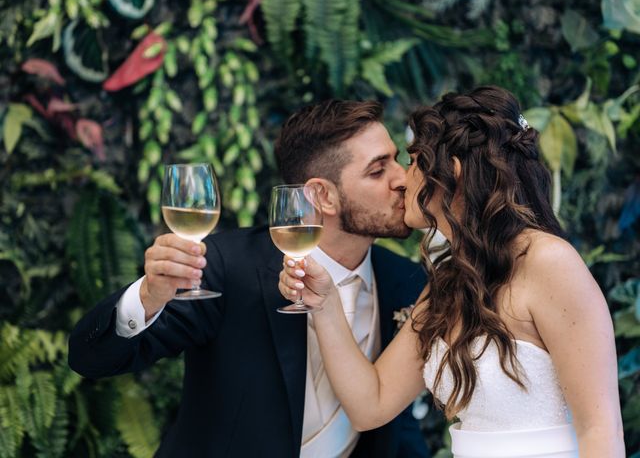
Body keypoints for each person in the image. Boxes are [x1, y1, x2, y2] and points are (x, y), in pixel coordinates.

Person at [68, 100, 430, 458]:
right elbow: (91, 359)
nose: (402, 178)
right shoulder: (228, 266)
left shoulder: (406, 281)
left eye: (396, 160)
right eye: (378, 170)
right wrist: (147, 296)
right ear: (323, 196)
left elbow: (396, 423)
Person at [279, 86, 625, 458]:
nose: (402, 179)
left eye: (412, 162)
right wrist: (326, 302)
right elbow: (371, 405)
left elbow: (600, 430)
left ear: (452, 174)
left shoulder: (549, 263)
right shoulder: (451, 282)